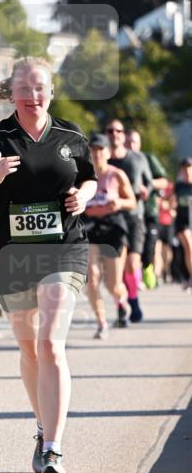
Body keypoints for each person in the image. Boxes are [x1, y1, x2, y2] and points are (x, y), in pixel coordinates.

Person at [0, 57, 96, 473]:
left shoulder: (70, 135)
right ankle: (41, 426)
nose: (33, 96)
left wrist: (83, 197)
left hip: (63, 249)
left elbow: (90, 178)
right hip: (14, 256)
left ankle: (53, 448)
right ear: (10, 93)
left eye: (40, 88)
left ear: (51, 90)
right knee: (29, 347)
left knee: (51, 343)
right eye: (25, 89)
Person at [84, 133, 136, 338]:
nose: (97, 154)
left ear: (108, 152)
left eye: (101, 150)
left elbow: (131, 201)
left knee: (113, 285)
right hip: (89, 229)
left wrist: (119, 203)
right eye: (93, 150)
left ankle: (121, 303)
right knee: (92, 278)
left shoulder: (117, 175)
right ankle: (101, 322)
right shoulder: (82, 176)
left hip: (113, 228)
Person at [104, 119, 151, 322]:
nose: (115, 134)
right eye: (110, 131)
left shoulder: (138, 158)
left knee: (132, 263)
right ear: (106, 135)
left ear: (123, 135)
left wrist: (145, 190)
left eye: (119, 130)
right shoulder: (103, 161)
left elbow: (149, 183)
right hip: (112, 220)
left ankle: (133, 300)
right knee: (117, 269)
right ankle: (122, 307)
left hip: (134, 217)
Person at [125, 129, 168, 290]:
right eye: (128, 142)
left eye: (134, 141)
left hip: (149, 211)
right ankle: (134, 279)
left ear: (140, 143)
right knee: (130, 250)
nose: (130, 145)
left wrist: (148, 186)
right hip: (128, 213)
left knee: (149, 247)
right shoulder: (120, 160)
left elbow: (163, 181)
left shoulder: (147, 159)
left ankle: (147, 268)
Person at [173, 157, 192, 290]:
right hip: (182, 222)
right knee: (189, 248)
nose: (187, 170)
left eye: (189, 167)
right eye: (184, 168)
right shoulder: (179, 186)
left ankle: (187, 277)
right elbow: (170, 200)